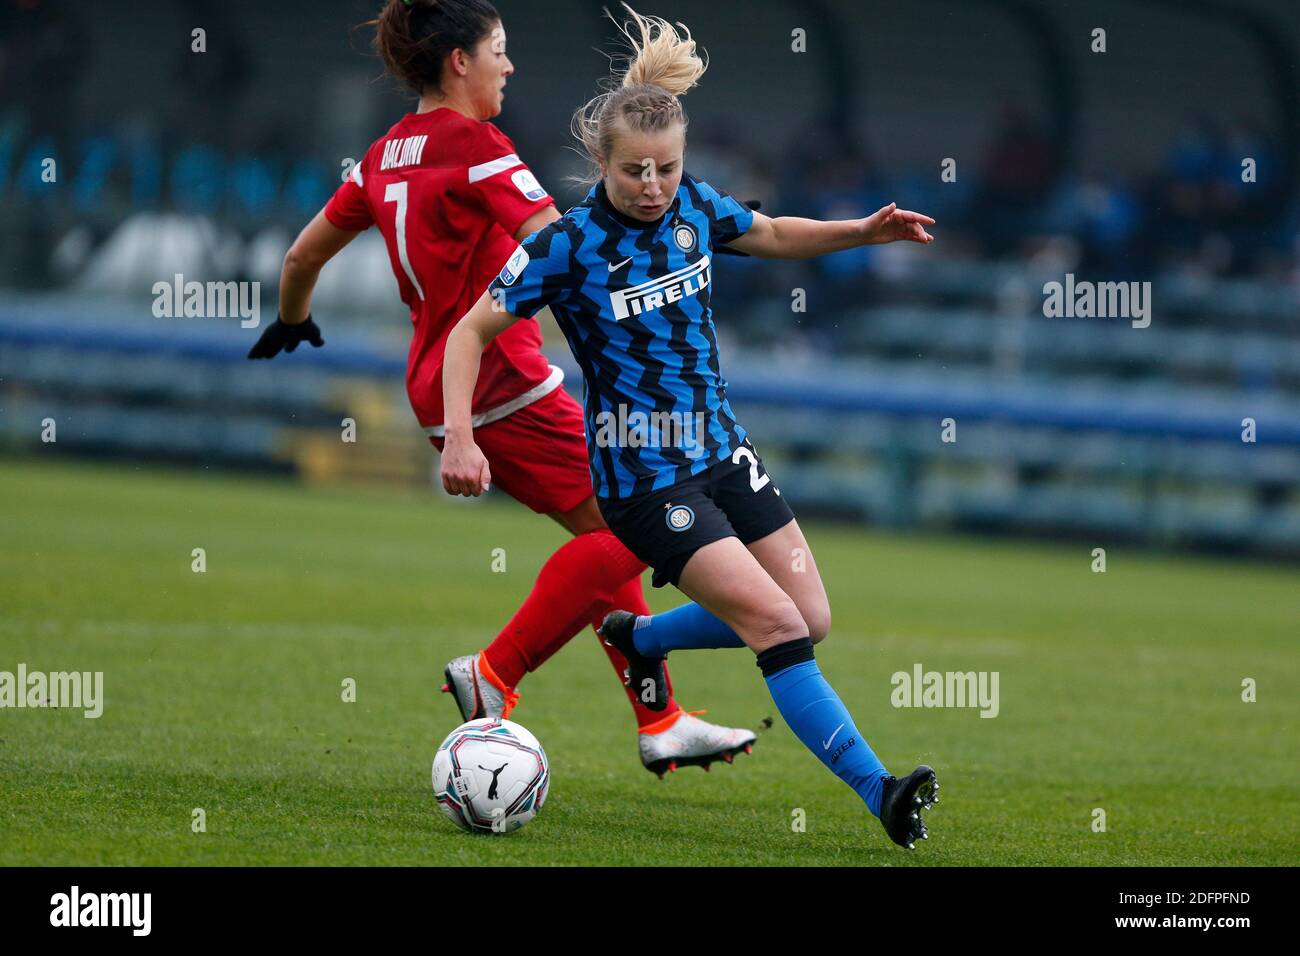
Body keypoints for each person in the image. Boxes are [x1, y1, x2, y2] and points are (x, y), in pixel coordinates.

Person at [440, 4, 941, 848]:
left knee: (811, 616)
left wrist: (864, 230)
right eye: (635, 170)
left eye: (666, 169)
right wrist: (460, 434)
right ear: (601, 162)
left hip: (723, 454)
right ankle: (881, 792)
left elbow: (774, 231)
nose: (652, 186)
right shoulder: (567, 247)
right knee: (778, 629)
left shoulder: (696, 209)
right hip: (646, 481)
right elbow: (468, 333)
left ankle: (640, 638)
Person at [247, 0, 756, 777]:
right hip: (501, 382)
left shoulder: (383, 157)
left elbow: (299, 260)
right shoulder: (478, 147)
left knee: (615, 539)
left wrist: (294, 322)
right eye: (499, 51)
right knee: (639, 523)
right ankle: (495, 673)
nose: (508, 67)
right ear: (460, 62)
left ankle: (659, 719)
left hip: (442, 382)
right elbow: (561, 246)